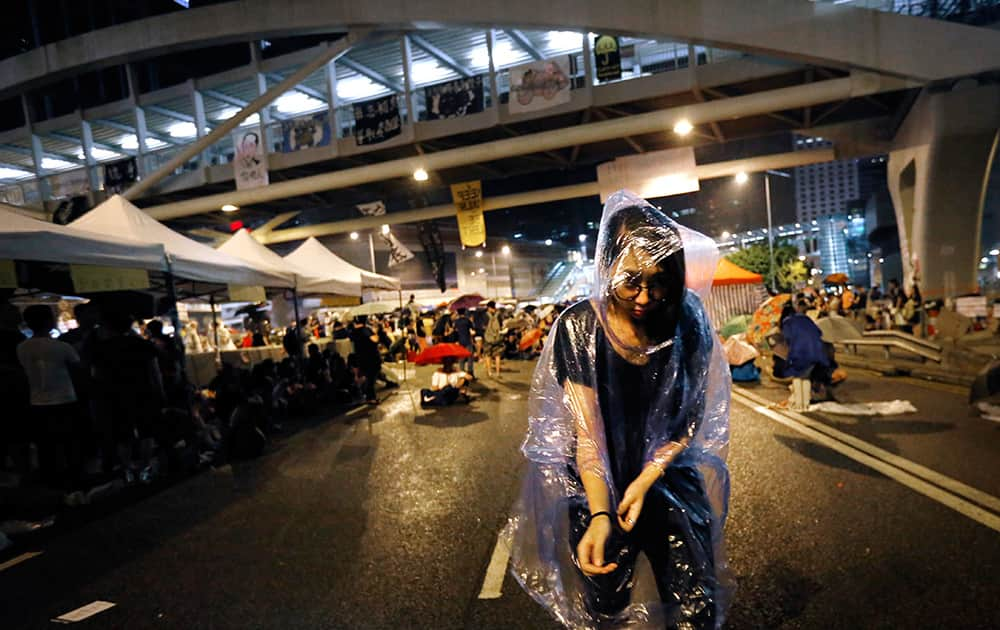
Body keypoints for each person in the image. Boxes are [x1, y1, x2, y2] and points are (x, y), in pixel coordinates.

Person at [505, 191, 732, 628]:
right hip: (597, 486)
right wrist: (602, 512)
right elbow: (588, 436)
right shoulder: (580, 327)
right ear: (606, 265)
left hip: (669, 478)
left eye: (659, 280)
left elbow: (689, 415)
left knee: (694, 606)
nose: (645, 296)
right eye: (631, 281)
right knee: (606, 608)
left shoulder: (687, 319)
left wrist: (648, 477)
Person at [17, 305, 82, 487]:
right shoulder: (62, 347)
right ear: (49, 321)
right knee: (70, 443)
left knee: (46, 445)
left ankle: (51, 480)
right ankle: (73, 480)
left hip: (37, 401)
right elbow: (78, 370)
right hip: (65, 399)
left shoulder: (21, 348)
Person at [777, 298, 835, 401]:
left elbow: (789, 341)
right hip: (819, 351)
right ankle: (819, 389)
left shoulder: (786, 323)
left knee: (800, 375)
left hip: (802, 356)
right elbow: (819, 333)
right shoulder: (805, 318)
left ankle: (810, 393)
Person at [349, 316, 382, 405]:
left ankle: (367, 395)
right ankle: (370, 397)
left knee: (367, 376)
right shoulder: (365, 330)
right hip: (371, 357)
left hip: (360, 357)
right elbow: (375, 340)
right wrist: (375, 332)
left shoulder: (353, 332)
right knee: (371, 378)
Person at [453, 308, 475, 380]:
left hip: (460, 341)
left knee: (461, 358)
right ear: (465, 312)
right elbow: (472, 329)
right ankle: (470, 372)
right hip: (468, 340)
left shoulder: (456, 321)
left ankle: (462, 373)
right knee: (470, 357)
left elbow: (455, 331)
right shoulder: (467, 320)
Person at [483, 301, 504, 377]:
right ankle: (498, 372)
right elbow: (501, 325)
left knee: (488, 355)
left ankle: (490, 372)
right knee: (497, 355)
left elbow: (483, 326)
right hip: (497, 338)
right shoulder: (498, 315)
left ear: (488, 307)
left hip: (488, 338)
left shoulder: (485, 315)